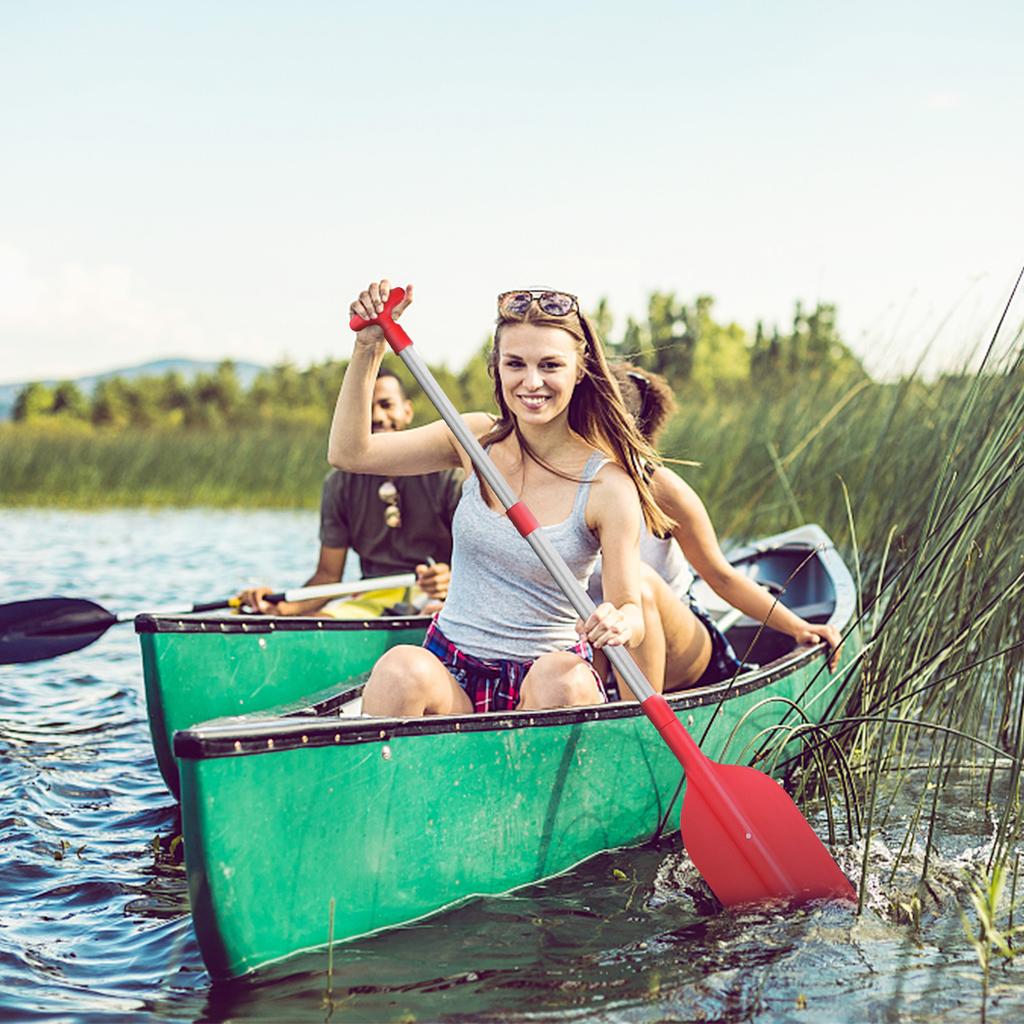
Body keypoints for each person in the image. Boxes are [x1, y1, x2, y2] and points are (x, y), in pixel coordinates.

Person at [329, 280, 673, 716]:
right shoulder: (476, 440)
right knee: (399, 668)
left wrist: (622, 621)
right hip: (453, 669)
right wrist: (368, 347)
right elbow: (350, 452)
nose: (532, 382)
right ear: (497, 367)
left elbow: (631, 608)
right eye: (516, 364)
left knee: (562, 682)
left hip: (545, 677)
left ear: (579, 369)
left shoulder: (607, 486)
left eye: (550, 365)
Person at [588, 363, 842, 699]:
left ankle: (636, 728)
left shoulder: (661, 489)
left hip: (678, 648)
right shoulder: (552, 486)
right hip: (595, 646)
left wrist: (798, 627)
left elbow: (721, 577)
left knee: (638, 582)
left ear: (620, 429)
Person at [239, 369, 461, 617]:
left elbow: (486, 563)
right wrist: (277, 608)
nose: (377, 416)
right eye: (367, 408)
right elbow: (328, 576)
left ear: (407, 411)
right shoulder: (338, 484)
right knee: (317, 621)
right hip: (371, 598)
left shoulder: (448, 477)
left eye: (386, 405)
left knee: (431, 612)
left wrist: (450, 578)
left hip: (442, 599)